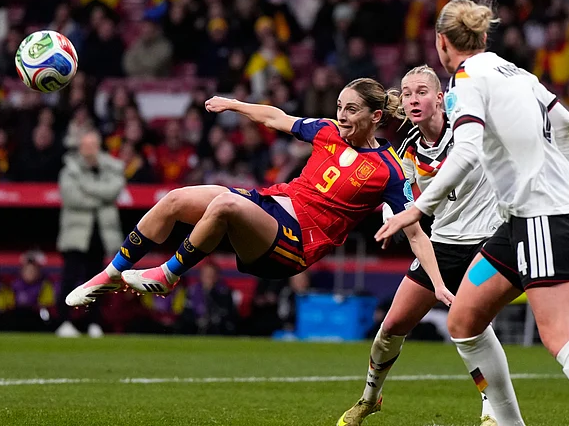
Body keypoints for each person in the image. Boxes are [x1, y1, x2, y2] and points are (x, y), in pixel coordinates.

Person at [376, 0, 569, 425]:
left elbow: (466, 152)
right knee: (463, 320)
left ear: (442, 42)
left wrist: (416, 209)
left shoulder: (465, 82)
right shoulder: (518, 73)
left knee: (562, 334)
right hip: (519, 222)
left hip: (539, 216)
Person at [66, 78, 454, 315]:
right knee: (175, 200)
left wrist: (436, 284)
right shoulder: (327, 131)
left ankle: (167, 276)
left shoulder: (389, 169)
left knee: (226, 204)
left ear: (375, 117)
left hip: (294, 245)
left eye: (351, 110)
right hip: (271, 206)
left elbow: (416, 232)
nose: (342, 115)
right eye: (339, 107)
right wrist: (234, 104)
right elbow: (275, 117)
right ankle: (110, 274)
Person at [338, 65, 500, 426]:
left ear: (440, 98)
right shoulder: (408, 150)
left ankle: (493, 409)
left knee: (470, 322)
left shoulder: (469, 129)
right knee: (391, 327)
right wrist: (391, 217)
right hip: (440, 246)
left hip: (487, 242)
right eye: (408, 93)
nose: (413, 99)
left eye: (422, 92)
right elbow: (401, 199)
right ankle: (369, 399)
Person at [56, 130, 125, 338]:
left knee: (97, 281)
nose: (89, 150)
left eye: (92, 145)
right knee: (69, 279)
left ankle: (93, 322)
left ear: (99, 146)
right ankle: (64, 321)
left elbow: (113, 191)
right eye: (85, 145)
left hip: (101, 235)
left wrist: (86, 187)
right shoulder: (69, 169)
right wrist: (101, 198)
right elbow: (72, 198)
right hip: (75, 235)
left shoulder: (112, 167)